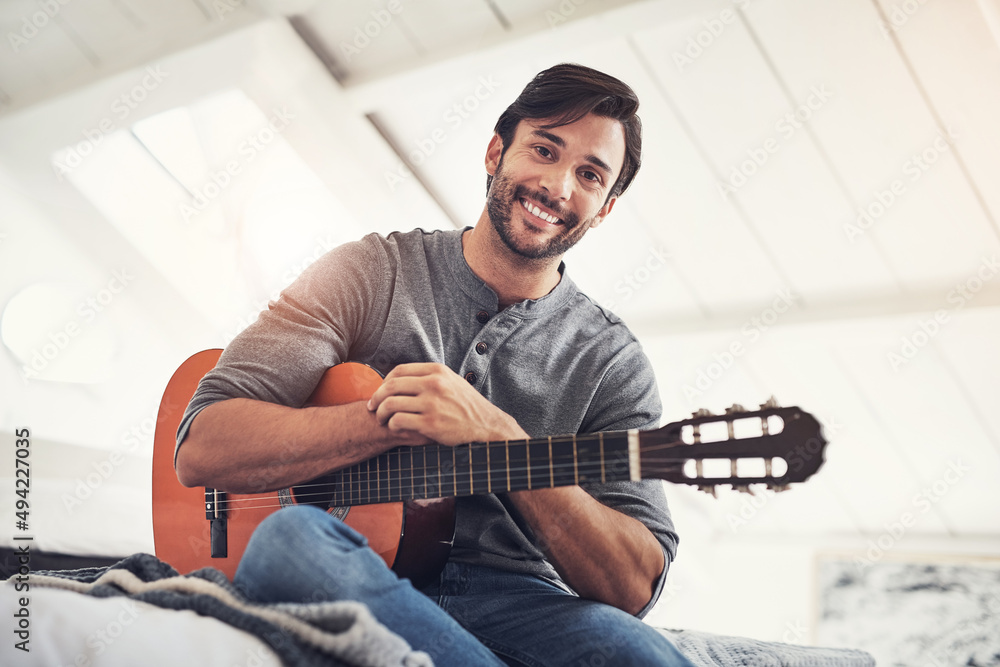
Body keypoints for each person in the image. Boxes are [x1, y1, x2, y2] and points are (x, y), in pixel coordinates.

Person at [174, 63, 694, 666]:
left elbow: (632, 586)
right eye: (544, 150)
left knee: (647, 658)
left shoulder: (613, 362)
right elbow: (201, 448)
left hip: (519, 599)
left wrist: (499, 436)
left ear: (604, 208)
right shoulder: (368, 271)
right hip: (350, 560)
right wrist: (385, 422)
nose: (558, 186)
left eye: (589, 174)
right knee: (290, 539)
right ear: (496, 152)